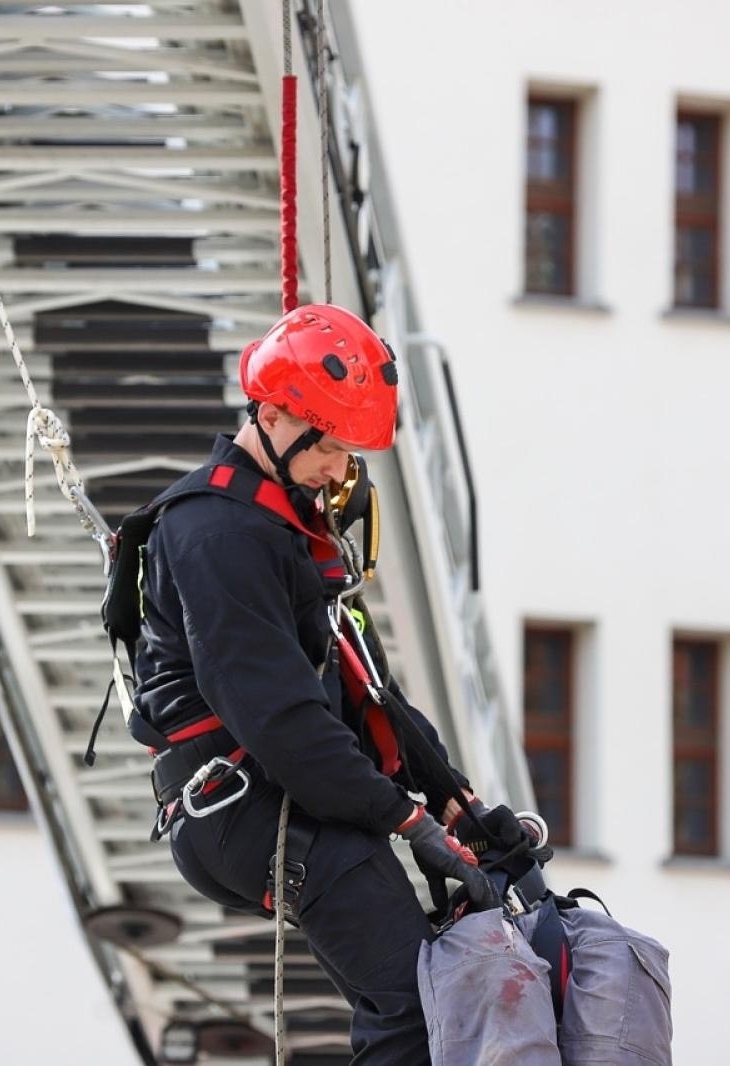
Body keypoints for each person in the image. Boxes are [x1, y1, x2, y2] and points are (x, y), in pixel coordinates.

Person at [130, 303, 499, 1063]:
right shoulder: (214, 534)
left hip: (287, 793)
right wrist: (407, 821)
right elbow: (279, 717)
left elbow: (368, 690)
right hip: (241, 804)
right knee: (416, 996)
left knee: (434, 989)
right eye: (327, 446)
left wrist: (453, 800)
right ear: (270, 415)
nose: (338, 470)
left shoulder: (282, 527)